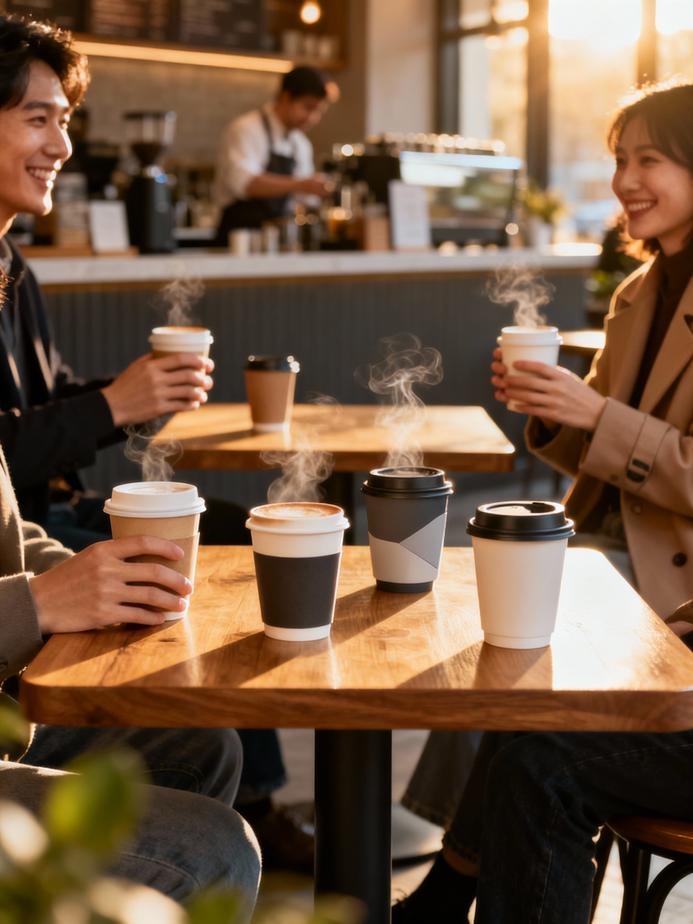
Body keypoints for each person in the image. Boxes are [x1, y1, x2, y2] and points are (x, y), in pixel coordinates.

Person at [393, 77, 693, 923]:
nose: (625, 181)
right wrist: (555, 414)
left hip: (667, 584)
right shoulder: (638, 294)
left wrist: (596, 414)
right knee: (495, 620)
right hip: (605, 554)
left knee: (519, 660)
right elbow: (605, 445)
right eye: (618, 161)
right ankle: (451, 884)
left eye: (650, 160)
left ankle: (449, 882)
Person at [0, 15, 262, 909]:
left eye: (63, 118)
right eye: (39, 118)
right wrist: (39, 603)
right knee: (211, 844)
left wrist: (60, 572)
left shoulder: (6, 270)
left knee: (202, 744)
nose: (63, 144)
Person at [213, 65, 335, 244]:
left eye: (318, 112)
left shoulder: (300, 144)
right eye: (308, 108)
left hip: (278, 239)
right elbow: (246, 183)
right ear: (286, 97)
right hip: (239, 238)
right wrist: (302, 184)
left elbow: (304, 199)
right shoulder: (246, 129)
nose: (312, 118)